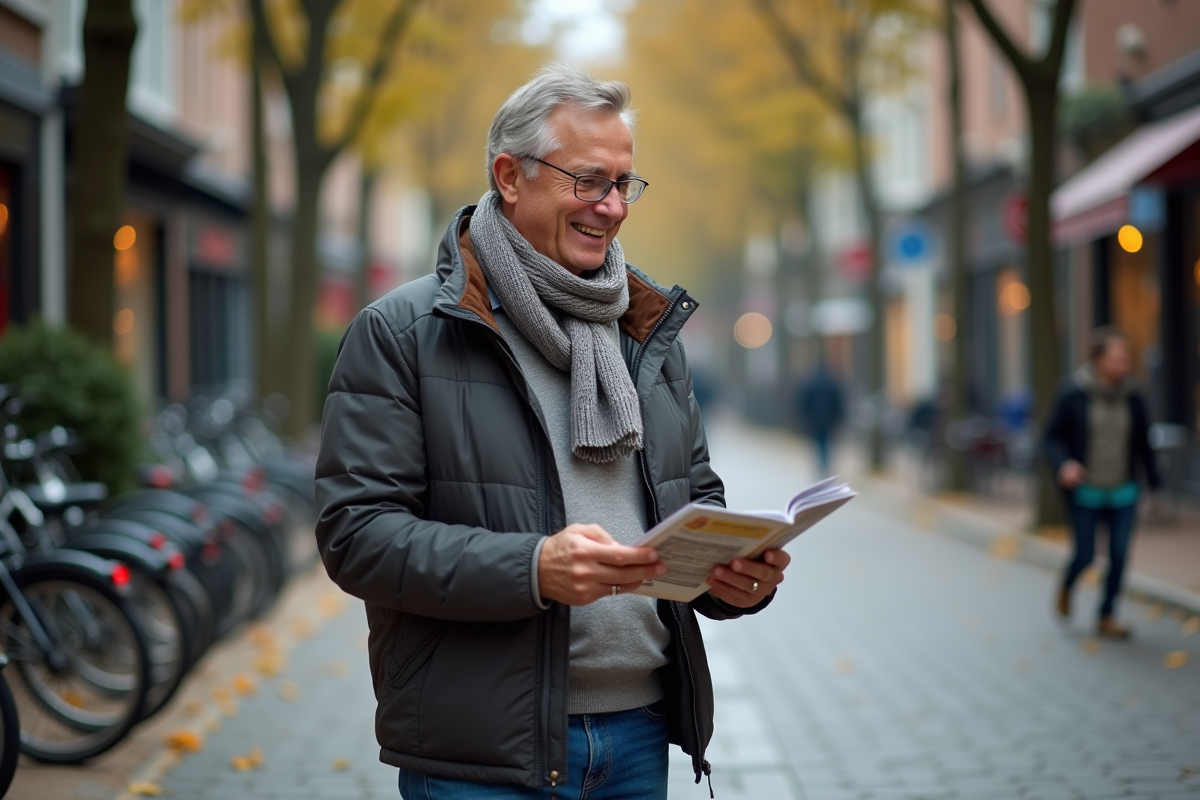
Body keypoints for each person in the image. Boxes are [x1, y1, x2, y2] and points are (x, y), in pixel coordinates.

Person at [315, 64, 791, 800]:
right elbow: (357, 536)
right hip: (481, 754)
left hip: (639, 737)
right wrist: (533, 568)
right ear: (510, 176)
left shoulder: (646, 331)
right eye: (589, 181)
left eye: (624, 184)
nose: (612, 206)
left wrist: (735, 581)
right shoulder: (403, 333)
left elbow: (693, 499)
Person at [1043, 326, 1160, 639]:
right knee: (1085, 555)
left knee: (1119, 555)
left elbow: (1144, 443)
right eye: (1117, 359)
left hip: (1124, 489)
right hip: (1086, 491)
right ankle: (1068, 584)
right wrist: (1065, 464)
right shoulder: (1072, 394)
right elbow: (1050, 438)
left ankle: (1106, 615)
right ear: (1097, 360)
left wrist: (1154, 485)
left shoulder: (1134, 396)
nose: (1124, 365)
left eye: (1127, 359)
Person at [793, 359, 845, 477]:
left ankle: (821, 465)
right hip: (828, 419)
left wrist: (804, 418)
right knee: (826, 443)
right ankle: (825, 465)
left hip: (814, 420)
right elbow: (838, 402)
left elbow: (804, 402)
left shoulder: (810, 383)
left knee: (818, 442)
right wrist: (838, 418)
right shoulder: (832, 383)